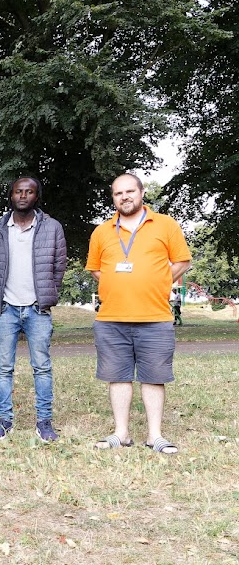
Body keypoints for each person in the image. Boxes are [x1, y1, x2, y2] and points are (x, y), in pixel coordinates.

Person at [86, 173, 192, 454]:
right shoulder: (101, 232)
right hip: (111, 319)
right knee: (117, 376)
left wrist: (158, 280)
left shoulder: (166, 225)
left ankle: (154, 435)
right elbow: (97, 270)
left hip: (155, 317)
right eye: (118, 193)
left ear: (142, 193)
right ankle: (121, 434)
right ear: (113, 197)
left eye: (130, 191)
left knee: (153, 376)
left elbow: (182, 260)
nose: (124, 197)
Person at [0, 176, 68, 442]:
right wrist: (0, 298)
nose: (23, 196)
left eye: (29, 192)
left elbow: (59, 266)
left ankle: (44, 422)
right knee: (3, 368)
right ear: (11, 195)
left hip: (37, 309)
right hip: (6, 309)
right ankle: (4, 421)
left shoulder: (52, 228)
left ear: (36, 196)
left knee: (42, 367)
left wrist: (46, 296)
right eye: (18, 191)